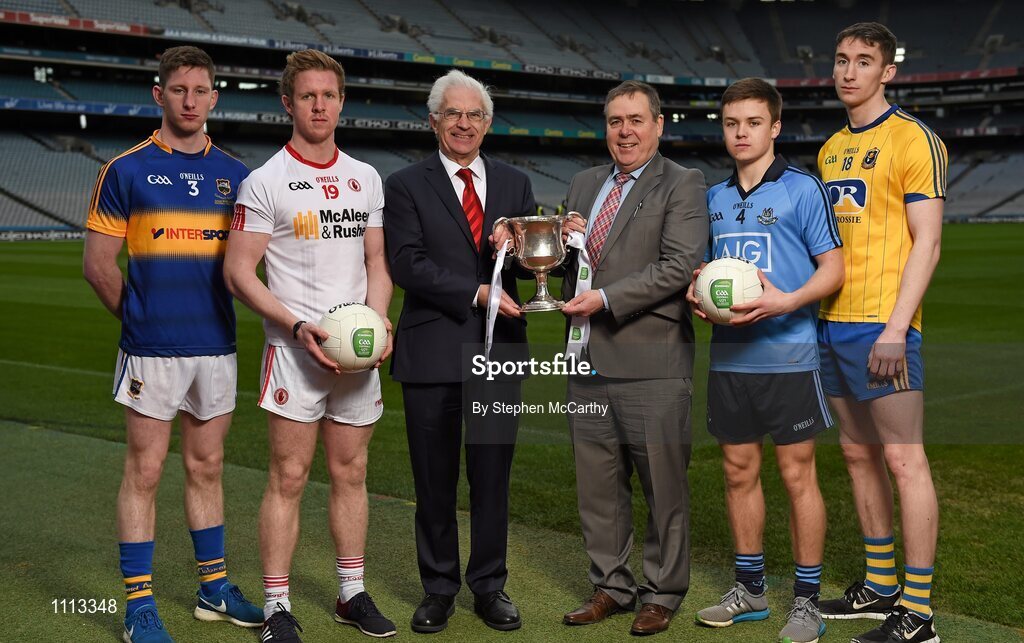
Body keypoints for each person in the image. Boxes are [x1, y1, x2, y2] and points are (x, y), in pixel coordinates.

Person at [82, 45, 261, 643]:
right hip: (151, 350)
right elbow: (100, 266)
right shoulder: (126, 169)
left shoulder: (238, 176)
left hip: (216, 344)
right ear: (159, 95)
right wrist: (139, 321)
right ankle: (139, 605)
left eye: (201, 90)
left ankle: (213, 588)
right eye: (178, 90)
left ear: (214, 96)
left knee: (207, 466)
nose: (190, 100)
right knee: (146, 470)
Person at [223, 49, 395, 642]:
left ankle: (351, 593)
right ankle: (276, 607)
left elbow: (377, 262)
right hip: (295, 355)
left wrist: (380, 322)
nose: (319, 106)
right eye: (308, 96)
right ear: (288, 103)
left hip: (356, 356)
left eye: (329, 95)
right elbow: (240, 273)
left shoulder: (366, 177)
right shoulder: (263, 182)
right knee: (289, 475)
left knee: (351, 471)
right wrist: (297, 327)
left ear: (341, 102)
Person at [685, 78, 844, 643]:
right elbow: (706, 271)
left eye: (753, 123)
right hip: (730, 361)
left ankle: (806, 603)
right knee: (736, 472)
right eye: (732, 124)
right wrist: (698, 291)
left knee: (797, 474)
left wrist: (786, 300)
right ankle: (750, 591)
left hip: (790, 357)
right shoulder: (714, 198)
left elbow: (833, 269)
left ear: (774, 127)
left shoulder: (803, 189)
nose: (741, 133)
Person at [383, 69, 535, 634]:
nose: (464, 123)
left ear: (487, 123)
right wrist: (474, 292)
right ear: (434, 122)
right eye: (453, 114)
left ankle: (490, 586)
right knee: (434, 477)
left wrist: (554, 242)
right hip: (432, 349)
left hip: (500, 351)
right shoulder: (403, 185)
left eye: (474, 115)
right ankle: (439, 586)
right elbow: (406, 263)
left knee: (492, 475)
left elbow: (527, 262)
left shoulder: (516, 183)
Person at [558, 80, 708, 636]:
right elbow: (568, 265)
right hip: (586, 356)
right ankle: (612, 587)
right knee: (597, 485)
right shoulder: (582, 183)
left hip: (652, 359)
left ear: (659, 124)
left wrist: (606, 299)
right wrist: (553, 238)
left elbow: (679, 264)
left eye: (636, 120)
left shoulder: (683, 183)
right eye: (615, 121)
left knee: (663, 486)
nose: (624, 131)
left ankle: (662, 592)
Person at [816, 22, 946, 643]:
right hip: (831, 325)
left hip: (884, 327)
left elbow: (930, 242)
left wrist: (897, 327)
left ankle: (917, 614)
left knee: (903, 458)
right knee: (856, 453)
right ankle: (879, 587)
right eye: (841, 60)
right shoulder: (832, 148)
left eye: (863, 62)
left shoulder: (914, 139)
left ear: (887, 71)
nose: (848, 72)